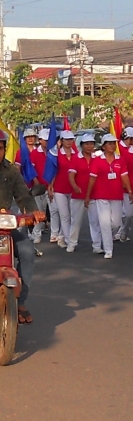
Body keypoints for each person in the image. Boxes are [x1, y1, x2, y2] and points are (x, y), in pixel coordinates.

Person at [0, 130, 46, 324]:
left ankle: (21, 302)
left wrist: (34, 212)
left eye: (0, 148)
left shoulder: (11, 171)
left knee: (27, 251)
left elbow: (24, 196)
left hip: (5, 227)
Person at [84, 134, 133, 259]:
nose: (112, 145)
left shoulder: (120, 160)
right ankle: (108, 249)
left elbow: (125, 176)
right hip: (101, 196)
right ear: (104, 146)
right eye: (109, 143)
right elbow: (92, 180)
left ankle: (106, 237)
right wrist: (88, 196)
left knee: (116, 223)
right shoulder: (97, 160)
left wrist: (130, 191)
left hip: (116, 195)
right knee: (105, 222)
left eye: (113, 143)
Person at [68, 134, 101, 253]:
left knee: (95, 221)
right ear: (82, 145)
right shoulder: (76, 158)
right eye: (87, 144)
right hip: (78, 194)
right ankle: (72, 243)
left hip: (94, 194)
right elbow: (71, 175)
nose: (89, 146)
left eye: (91, 144)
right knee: (76, 220)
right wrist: (75, 186)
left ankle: (96, 246)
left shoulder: (97, 158)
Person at [49, 130, 77, 249]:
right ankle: (68, 240)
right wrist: (50, 187)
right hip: (59, 189)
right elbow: (53, 172)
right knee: (64, 215)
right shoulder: (56, 155)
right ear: (61, 141)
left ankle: (62, 236)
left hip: (73, 189)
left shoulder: (77, 154)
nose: (69, 142)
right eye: (66, 139)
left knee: (71, 215)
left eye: (71, 139)